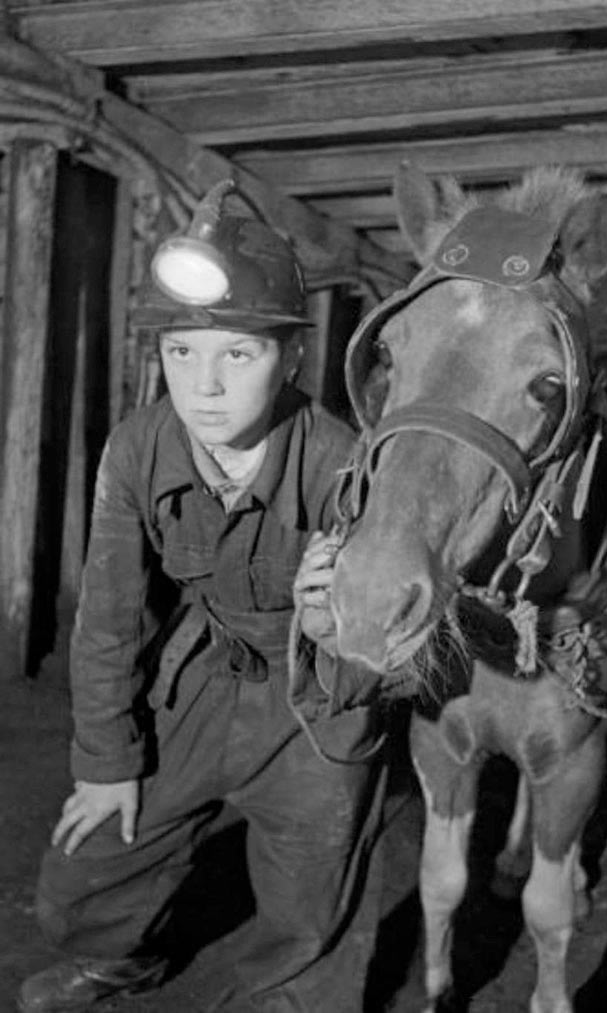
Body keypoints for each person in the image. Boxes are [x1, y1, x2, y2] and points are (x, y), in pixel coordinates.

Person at [19, 181, 387, 1013]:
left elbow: (406, 648)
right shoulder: (140, 447)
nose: (205, 385)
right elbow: (108, 617)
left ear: (292, 360)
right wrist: (107, 764)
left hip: (316, 705)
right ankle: (116, 962)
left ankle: (281, 994)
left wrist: (343, 621)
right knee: (80, 877)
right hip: (199, 681)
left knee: (308, 911)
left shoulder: (347, 466)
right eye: (182, 352)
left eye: (239, 353)